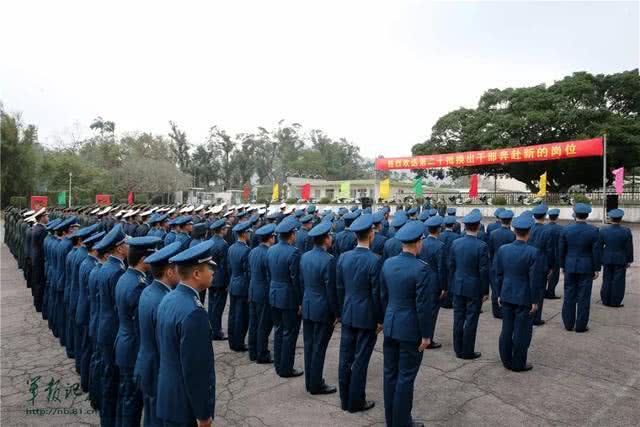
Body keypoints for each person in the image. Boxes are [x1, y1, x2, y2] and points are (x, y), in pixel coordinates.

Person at [380, 220, 437, 427]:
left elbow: (383, 296)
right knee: (405, 377)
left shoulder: (388, 263)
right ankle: (402, 422)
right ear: (418, 242)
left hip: (391, 324)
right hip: (410, 329)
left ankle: (392, 420)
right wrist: (426, 335)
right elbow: (423, 307)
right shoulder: (421, 269)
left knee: (390, 375)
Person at [156, 240, 216, 427]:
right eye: (209, 268)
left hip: (168, 397)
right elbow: (195, 370)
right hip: (185, 406)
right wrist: (203, 415)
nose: (213, 272)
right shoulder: (194, 312)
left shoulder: (169, 298)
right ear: (197, 274)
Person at [336, 214, 382, 412]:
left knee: (345, 358)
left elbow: (339, 289)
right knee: (360, 360)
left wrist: (340, 312)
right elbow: (376, 293)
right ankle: (356, 401)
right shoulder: (375, 260)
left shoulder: (344, 257)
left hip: (348, 313)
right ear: (371, 234)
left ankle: (345, 399)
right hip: (366, 317)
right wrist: (380, 319)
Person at [115, 236, 162, 426]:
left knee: (127, 397)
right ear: (144, 259)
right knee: (132, 402)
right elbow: (140, 326)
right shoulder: (137, 286)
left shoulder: (126, 277)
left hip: (125, 344)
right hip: (132, 349)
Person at [135, 241, 182, 427]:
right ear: (169, 272)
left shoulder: (148, 290)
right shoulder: (164, 300)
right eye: (177, 269)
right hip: (158, 368)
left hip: (147, 363)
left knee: (152, 416)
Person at [495, 214, 544, 372]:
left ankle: (506, 359)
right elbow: (534, 280)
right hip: (524, 297)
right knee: (522, 332)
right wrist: (535, 301)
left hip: (507, 294)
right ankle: (518, 363)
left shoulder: (503, 250)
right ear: (529, 232)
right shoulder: (533, 252)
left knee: (507, 329)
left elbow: (498, 274)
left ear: (514, 230)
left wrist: (499, 294)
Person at [94, 224, 129, 427]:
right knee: (112, 378)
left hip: (105, 325)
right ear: (118, 248)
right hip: (112, 328)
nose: (128, 246)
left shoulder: (108, 267)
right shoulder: (115, 271)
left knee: (109, 374)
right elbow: (118, 306)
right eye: (125, 244)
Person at [300, 221, 338, 395]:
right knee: (319, 348)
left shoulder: (305, 256)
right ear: (325, 239)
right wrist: (337, 313)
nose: (331, 239)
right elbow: (331, 291)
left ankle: (310, 381)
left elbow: (302, 283)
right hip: (322, 309)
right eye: (330, 236)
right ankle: (316, 384)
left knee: (309, 346)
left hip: (308, 305)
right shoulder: (329, 260)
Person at [448, 210, 490, 359]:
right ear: (478, 226)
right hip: (474, 288)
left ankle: (458, 349)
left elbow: (451, 266)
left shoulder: (456, 243)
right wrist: (486, 291)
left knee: (458, 318)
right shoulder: (482, 246)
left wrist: (451, 285)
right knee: (471, 319)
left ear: (465, 226)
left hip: (458, 285)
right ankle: (467, 351)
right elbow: (483, 271)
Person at [267, 217, 304, 378]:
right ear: (291, 234)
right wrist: (300, 301)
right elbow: (296, 280)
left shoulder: (271, 249)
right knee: (289, 333)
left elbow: (269, 273)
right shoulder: (294, 252)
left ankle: (278, 364)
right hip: (288, 297)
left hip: (274, 294)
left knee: (279, 330)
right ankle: (286, 368)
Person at [558, 203, 601, 333]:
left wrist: (562, 265)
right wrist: (597, 268)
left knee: (569, 295)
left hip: (570, 266)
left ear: (575, 215)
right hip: (586, 267)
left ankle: (568, 324)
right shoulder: (594, 230)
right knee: (584, 297)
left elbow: (561, 250)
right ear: (587, 215)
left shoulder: (565, 230)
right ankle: (581, 326)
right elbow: (596, 252)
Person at [75, 231, 105, 392]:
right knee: (88, 349)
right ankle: (87, 384)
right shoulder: (92, 266)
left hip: (87, 310)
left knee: (86, 347)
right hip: (89, 312)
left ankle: (85, 378)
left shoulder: (88, 263)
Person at [248, 224, 276, 363]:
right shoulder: (268, 253)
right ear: (270, 238)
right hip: (263, 293)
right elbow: (269, 277)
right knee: (263, 326)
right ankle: (262, 354)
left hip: (253, 291)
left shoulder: (253, 251)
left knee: (253, 324)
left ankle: (253, 352)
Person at [419, 215, 447, 349]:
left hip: (421, 278)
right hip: (434, 282)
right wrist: (444, 286)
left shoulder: (421, 242)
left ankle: (421, 335)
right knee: (432, 312)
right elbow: (441, 268)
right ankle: (428, 338)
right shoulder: (440, 246)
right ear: (439, 230)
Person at [600, 208, 633, 307]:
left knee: (606, 279)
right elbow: (629, 247)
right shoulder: (626, 231)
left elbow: (599, 246)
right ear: (621, 218)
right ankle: (615, 301)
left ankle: (605, 300)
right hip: (620, 258)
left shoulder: (603, 230)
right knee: (618, 281)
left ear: (610, 218)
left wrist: (601, 258)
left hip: (607, 258)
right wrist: (629, 260)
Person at [227, 221, 252, 352]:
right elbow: (248, 272)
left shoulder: (231, 248)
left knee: (233, 315)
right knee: (241, 316)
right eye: (248, 232)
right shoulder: (247, 250)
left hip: (233, 283)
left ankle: (233, 341)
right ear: (244, 233)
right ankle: (239, 343)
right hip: (242, 285)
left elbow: (229, 268)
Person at [527, 204, 553, 326]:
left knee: (527, 287)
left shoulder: (528, 228)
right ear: (545, 216)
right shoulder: (547, 230)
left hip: (527, 260)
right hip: (541, 263)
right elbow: (550, 250)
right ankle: (536, 317)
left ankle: (526, 313)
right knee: (540, 290)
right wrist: (551, 266)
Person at [487, 210, 516, 319]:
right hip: (508, 264)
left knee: (495, 287)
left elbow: (490, 249)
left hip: (495, 262)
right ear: (510, 220)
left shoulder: (493, 233)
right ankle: (505, 309)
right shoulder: (512, 235)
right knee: (506, 286)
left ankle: (496, 311)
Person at [208, 219, 230, 340]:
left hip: (210, 277)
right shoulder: (223, 244)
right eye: (225, 228)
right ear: (222, 230)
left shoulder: (210, 241)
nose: (227, 230)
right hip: (220, 279)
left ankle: (212, 328)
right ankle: (217, 331)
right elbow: (225, 265)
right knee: (218, 307)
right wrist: (227, 281)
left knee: (212, 305)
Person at [29, 208, 49, 313]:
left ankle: (37, 303)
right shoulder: (42, 230)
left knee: (37, 281)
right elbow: (43, 248)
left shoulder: (36, 228)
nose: (48, 218)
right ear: (42, 217)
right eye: (46, 216)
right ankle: (39, 305)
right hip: (40, 259)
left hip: (35, 258)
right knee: (40, 282)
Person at [439, 216, 460, 310]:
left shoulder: (440, 235)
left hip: (441, 260)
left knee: (442, 279)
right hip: (452, 261)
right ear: (453, 225)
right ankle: (449, 300)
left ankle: (442, 299)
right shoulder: (456, 237)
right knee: (451, 280)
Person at [544, 208, 563, 299]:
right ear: (557, 217)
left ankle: (543, 291)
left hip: (544, 254)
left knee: (543, 274)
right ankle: (551, 293)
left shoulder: (544, 228)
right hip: (556, 254)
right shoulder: (561, 228)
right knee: (554, 276)